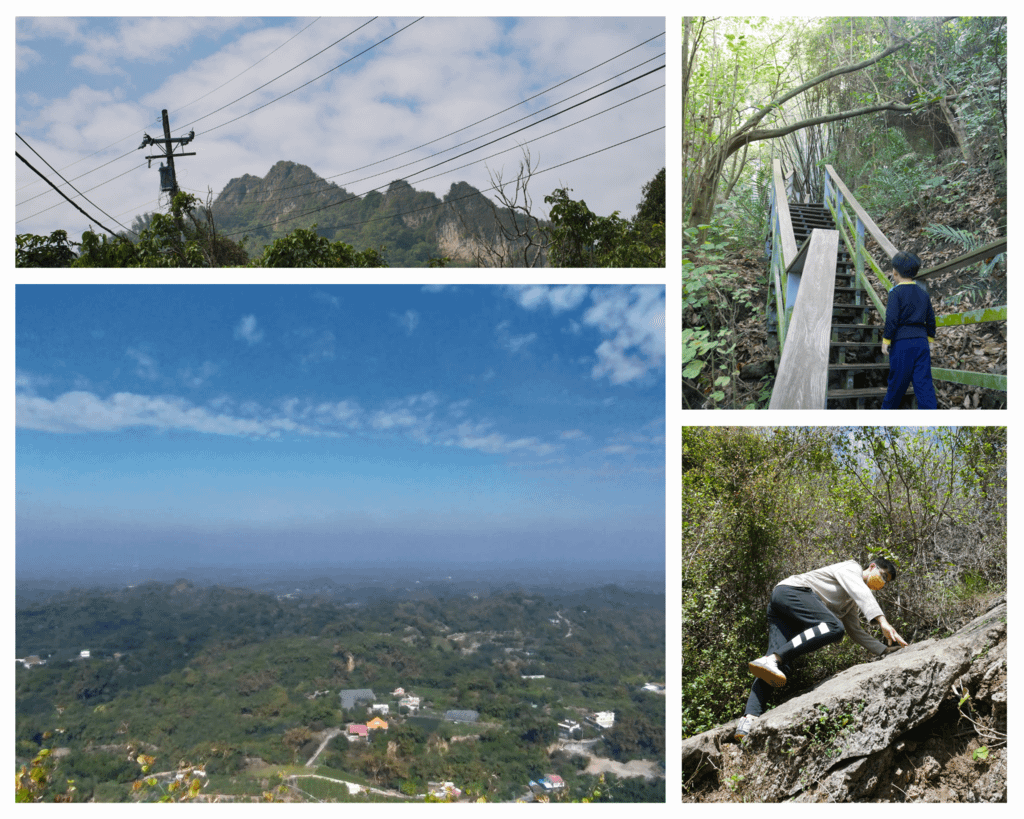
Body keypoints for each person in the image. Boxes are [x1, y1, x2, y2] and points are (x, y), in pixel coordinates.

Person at [734, 558, 907, 741]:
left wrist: (883, 650)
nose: (882, 583)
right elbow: (861, 593)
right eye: (883, 576)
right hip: (791, 592)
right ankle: (774, 658)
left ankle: (747, 720)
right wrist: (883, 622)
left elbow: (856, 631)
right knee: (834, 627)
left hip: (783, 603)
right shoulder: (851, 568)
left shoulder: (849, 602)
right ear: (872, 566)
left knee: (776, 667)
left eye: (886, 582)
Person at [880, 251, 937, 409]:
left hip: (901, 344)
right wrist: (930, 340)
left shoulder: (895, 293)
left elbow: (891, 319)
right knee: (924, 385)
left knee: (896, 385)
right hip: (921, 343)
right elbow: (931, 319)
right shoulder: (923, 294)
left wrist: (886, 340)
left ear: (894, 272)